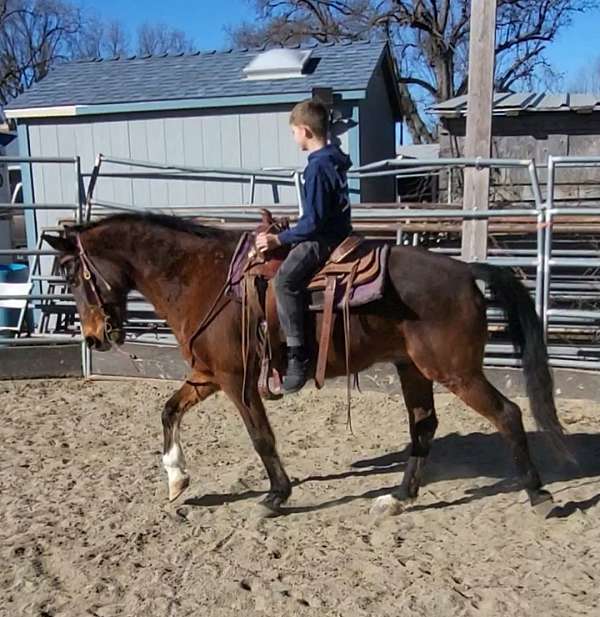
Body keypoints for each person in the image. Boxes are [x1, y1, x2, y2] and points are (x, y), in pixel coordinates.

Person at [256, 99, 352, 394]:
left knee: (285, 280)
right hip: (335, 232)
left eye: (294, 132)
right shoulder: (332, 159)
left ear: (306, 131)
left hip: (323, 240)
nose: (294, 137)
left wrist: (278, 239)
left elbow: (313, 223)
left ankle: (297, 355)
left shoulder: (318, 167)